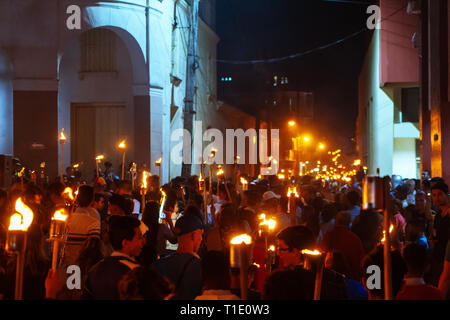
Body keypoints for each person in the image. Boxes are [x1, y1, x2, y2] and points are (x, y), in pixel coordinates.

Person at [275, 225, 348, 300]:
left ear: (295, 252)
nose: (278, 253)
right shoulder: (336, 277)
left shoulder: (288, 282)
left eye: (281, 249)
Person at [82, 216, 144, 300]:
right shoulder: (135, 272)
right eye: (139, 237)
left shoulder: (95, 269)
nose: (143, 242)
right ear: (125, 243)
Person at [152, 212, 204, 300]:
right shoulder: (201, 267)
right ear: (194, 235)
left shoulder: (157, 265)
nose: (201, 239)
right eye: (201, 234)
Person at [319, 211, 365, 280]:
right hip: (350, 279)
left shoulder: (328, 236)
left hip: (329, 278)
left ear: (336, 221)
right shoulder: (355, 239)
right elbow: (360, 263)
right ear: (349, 223)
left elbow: (321, 255)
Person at [64, 185, 101, 265]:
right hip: (84, 265)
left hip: (67, 263)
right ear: (92, 200)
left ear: (76, 199)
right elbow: (93, 247)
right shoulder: (94, 219)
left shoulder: (66, 219)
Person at [138, 201, 177, 266]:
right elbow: (174, 240)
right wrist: (170, 222)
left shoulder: (139, 226)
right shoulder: (161, 228)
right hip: (159, 261)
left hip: (141, 259)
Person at [430, 182, 450, 285]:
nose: (437, 198)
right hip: (438, 257)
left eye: (440, 194)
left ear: (447, 194)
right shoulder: (438, 215)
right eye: (434, 195)